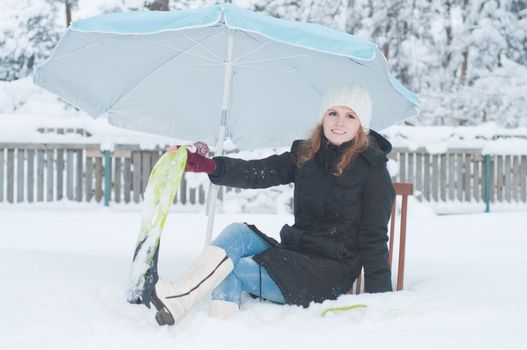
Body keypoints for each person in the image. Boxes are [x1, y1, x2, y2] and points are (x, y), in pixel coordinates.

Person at [153, 84, 395, 326]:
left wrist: (381, 301)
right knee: (239, 233)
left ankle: (219, 332)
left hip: (327, 273)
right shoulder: (306, 155)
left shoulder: (373, 172)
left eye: (350, 116)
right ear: (323, 117)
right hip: (293, 254)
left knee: (230, 270)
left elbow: (374, 239)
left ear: (361, 125)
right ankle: (179, 298)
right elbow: (258, 172)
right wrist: (210, 166)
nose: (339, 122)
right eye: (333, 113)